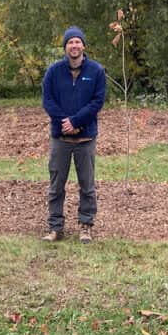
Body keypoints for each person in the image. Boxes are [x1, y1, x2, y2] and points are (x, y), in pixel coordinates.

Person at [41, 26, 107, 243]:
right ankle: (55, 227)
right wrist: (65, 123)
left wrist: (77, 122)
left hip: (85, 137)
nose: (74, 46)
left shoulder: (96, 71)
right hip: (60, 138)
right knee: (56, 184)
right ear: (65, 47)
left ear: (83, 46)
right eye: (70, 42)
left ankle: (86, 225)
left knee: (87, 185)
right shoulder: (53, 72)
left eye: (78, 42)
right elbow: (48, 101)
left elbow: (97, 101)